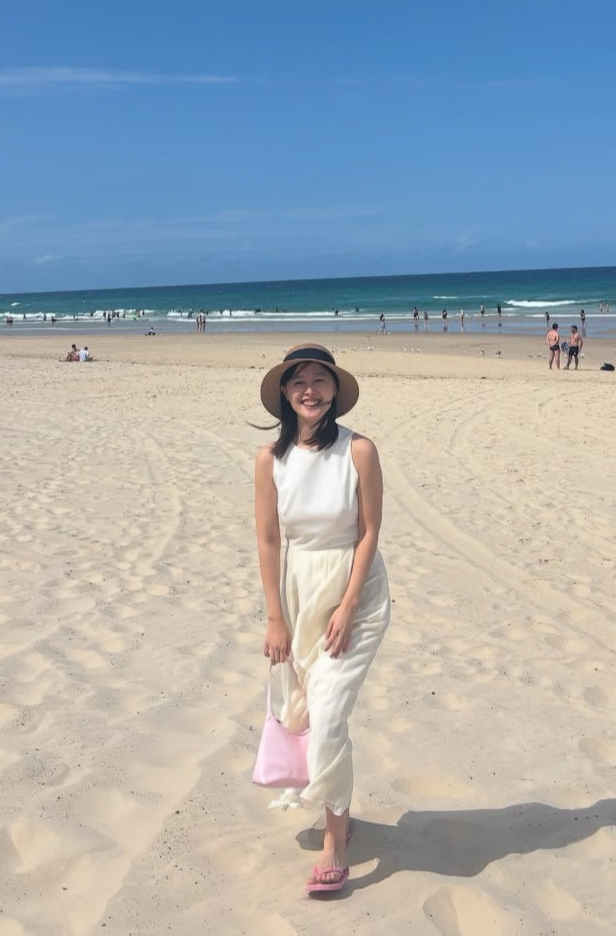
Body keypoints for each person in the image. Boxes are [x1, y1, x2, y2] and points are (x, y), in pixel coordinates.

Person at [254, 345, 390, 895]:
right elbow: (268, 539)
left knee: (329, 713)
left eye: (319, 380)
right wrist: (275, 618)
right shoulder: (270, 459)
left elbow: (370, 531)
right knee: (306, 710)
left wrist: (349, 604)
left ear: (335, 390)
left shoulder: (359, 450)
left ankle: (336, 841)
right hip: (300, 591)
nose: (309, 390)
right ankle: (341, 813)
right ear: (285, 394)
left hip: (356, 590)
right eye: (298, 382)